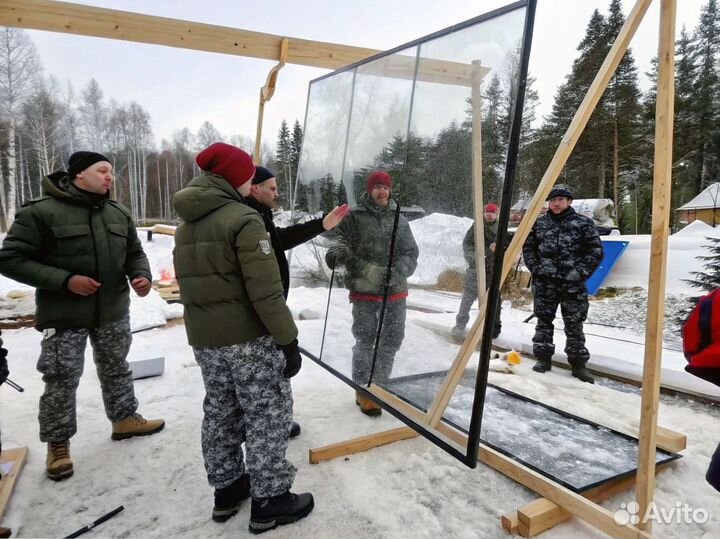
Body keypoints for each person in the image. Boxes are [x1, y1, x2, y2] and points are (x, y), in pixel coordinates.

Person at [173, 142, 313, 531]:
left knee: (221, 411)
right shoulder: (244, 219)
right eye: (249, 174)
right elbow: (265, 293)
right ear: (236, 176)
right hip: (248, 339)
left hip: (205, 340)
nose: (254, 180)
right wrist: (287, 341)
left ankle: (229, 488)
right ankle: (271, 499)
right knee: (268, 413)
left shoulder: (188, 223)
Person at [0, 151, 165, 482]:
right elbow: (10, 258)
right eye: (102, 170)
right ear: (78, 175)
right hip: (64, 315)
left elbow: (134, 252)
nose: (109, 177)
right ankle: (58, 444)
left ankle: (123, 419)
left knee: (117, 368)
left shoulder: (117, 212)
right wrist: (65, 281)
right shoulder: (42, 212)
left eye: (111, 172)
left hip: (113, 310)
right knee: (61, 379)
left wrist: (141, 274)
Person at [246, 166, 349, 438]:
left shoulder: (257, 215)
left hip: (260, 314)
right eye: (273, 187)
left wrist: (320, 225)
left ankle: (270, 421)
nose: (277, 192)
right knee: (269, 374)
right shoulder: (248, 219)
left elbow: (280, 239)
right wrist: (286, 337)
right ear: (254, 188)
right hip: (261, 315)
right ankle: (271, 426)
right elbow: (262, 284)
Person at [325, 170, 419, 416]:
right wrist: (368, 271)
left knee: (391, 340)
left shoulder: (399, 218)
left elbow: (410, 252)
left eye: (385, 187)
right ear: (369, 190)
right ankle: (363, 390)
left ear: (390, 190)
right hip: (365, 292)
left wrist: (397, 272)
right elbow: (337, 247)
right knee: (365, 341)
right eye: (377, 186)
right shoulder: (354, 217)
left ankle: (380, 386)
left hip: (395, 292)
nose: (382, 191)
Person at [522, 184, 603, 383]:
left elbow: (595, 251)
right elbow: (528, 248)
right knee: (543, 321)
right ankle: (543, 358)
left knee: (574, 324)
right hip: (545, 282)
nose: (556, 203)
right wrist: (536, 268)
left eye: (560, 200)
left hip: (572, 284)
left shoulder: (583, 223)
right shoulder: (539, 224)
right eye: (553, 200)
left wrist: (580, 272)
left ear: (569, 202)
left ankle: (577, 364)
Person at [452, 203, 502, 339]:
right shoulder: (477, 227)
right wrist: (475, 258)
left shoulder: (501, 228)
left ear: (496, 214)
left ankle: (493, 330)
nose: (489, 215)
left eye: (492, 213)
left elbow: (508, 246)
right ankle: (460, 325)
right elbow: (467, 244)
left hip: (493, 270)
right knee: (468, 298)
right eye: (487, 213)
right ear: (484, 213)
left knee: (495, 300)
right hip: (476, 268)